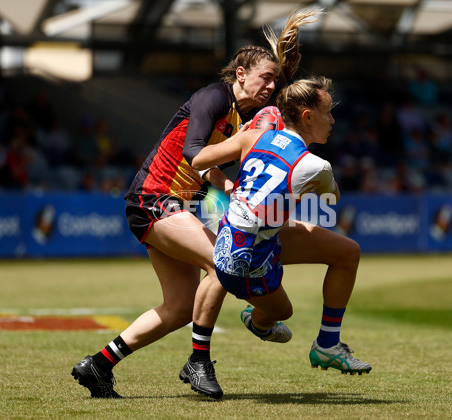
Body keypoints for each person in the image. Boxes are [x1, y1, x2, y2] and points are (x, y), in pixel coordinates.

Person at [71, 9, 323, 399]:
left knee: (181, 307)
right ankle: (198, 362)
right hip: (154, 199)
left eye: (274, 80)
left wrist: (286, 74)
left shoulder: (247, 114)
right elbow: (193, 152)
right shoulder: (213, 96)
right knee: (220, 262)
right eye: (264, 77)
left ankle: (100, 364)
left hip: (175, 206)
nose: (271, 86)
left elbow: (278, 109)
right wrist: (227, 183)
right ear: (240, 73)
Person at [183, 76, 372, 399]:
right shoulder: (317, 166)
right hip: (248, 260)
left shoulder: (255, 136)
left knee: (347, 252)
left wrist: (244, 141)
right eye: (328, 112)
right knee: (282, 313)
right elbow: (333, 197)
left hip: (238, 235)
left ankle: (327, 344)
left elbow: (198, 159)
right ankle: (258, 320)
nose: (333, 120)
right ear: (308, 117)